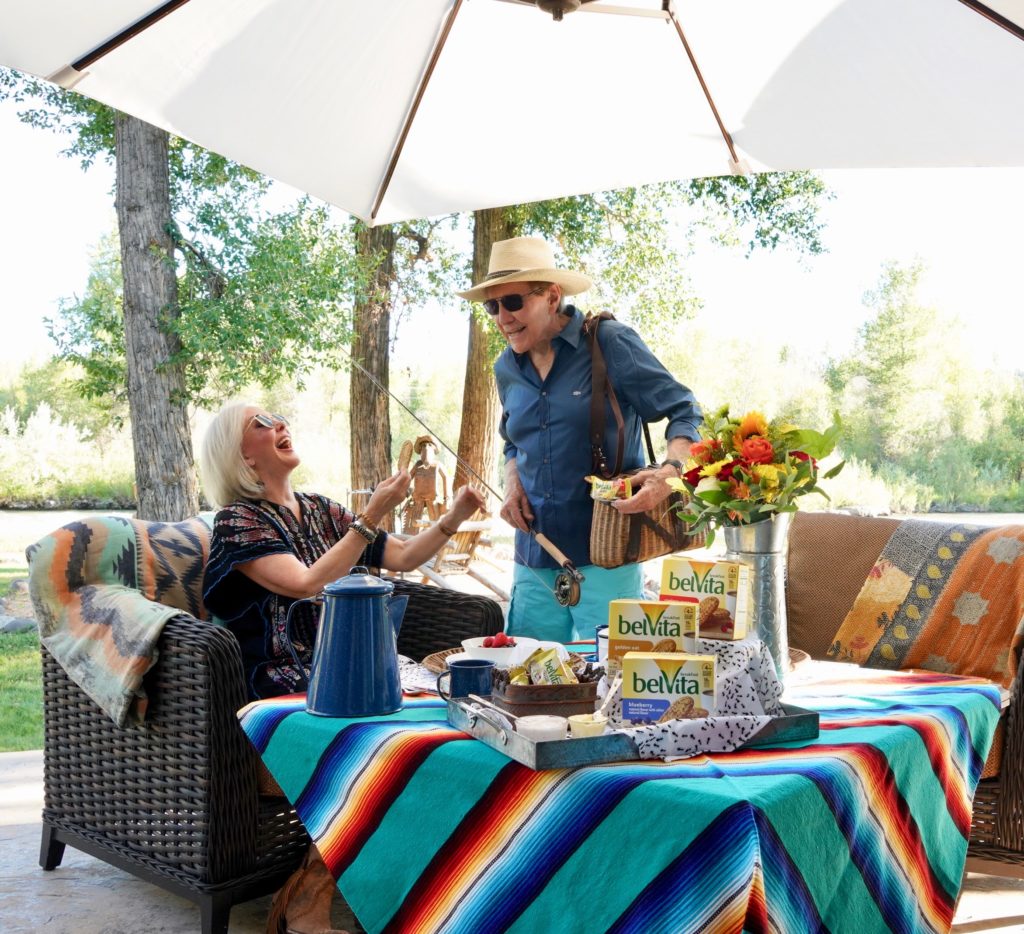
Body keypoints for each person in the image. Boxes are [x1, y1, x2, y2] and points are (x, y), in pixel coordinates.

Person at [199, 401, 485, 934]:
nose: (280, 424)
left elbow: (400, 558)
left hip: (354, 667)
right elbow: (306, 582)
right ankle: (312, 897)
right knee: (386, 739)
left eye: (278, 416)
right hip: (288, 680)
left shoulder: (322, 510)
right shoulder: (237, 521)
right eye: (261, 424)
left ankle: (421, 886)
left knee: (455, 722)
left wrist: (454, 516)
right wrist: (369, 515)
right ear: (240, 455)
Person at [457, 236, 702, 643]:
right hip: (534, 558)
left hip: (608, 554)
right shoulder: (506, 367)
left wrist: (669, 474)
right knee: (529, 682)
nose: (502, 317)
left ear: (552, 296)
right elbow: (513, 441)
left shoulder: (609, 342)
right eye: (492, 306)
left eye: (513, 302)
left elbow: (686, 410)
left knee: (614, 688)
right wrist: (512, 485)